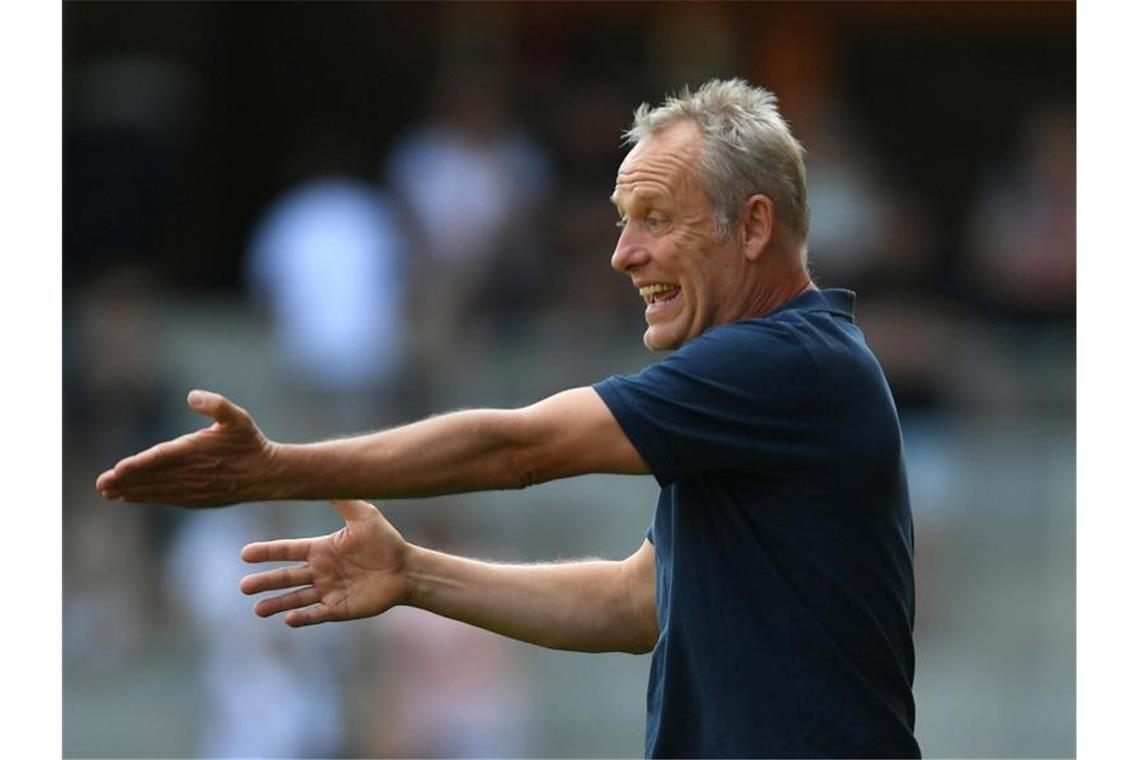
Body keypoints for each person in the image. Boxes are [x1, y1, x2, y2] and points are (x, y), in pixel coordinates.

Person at [96, 79, 919, 758]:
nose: (622, 253)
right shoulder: (770, 381)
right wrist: (415, 574)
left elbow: (522, 447)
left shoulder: (784, 362)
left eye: (657, 219)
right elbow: (638, 602)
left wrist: (278, 470)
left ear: (755, 226)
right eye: (623, 220)